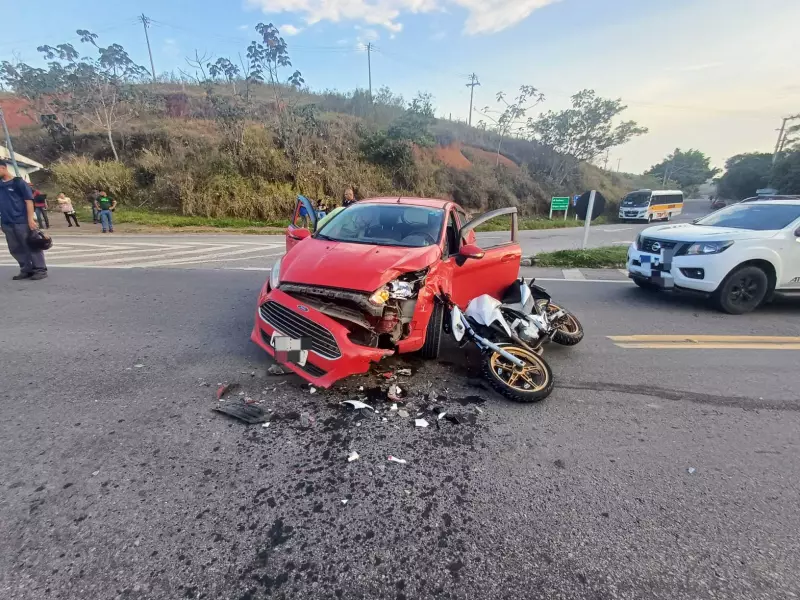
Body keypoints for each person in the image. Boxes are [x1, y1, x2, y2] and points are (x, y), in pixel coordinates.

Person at [0, 159, 48, 280]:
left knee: (31, 245)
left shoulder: (18, 182)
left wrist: (31, 219)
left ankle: (40, 269)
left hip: (22, 220)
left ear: (3, 168)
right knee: (15, 248)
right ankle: (26, 269)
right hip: (7, 222)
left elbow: (29, 201)